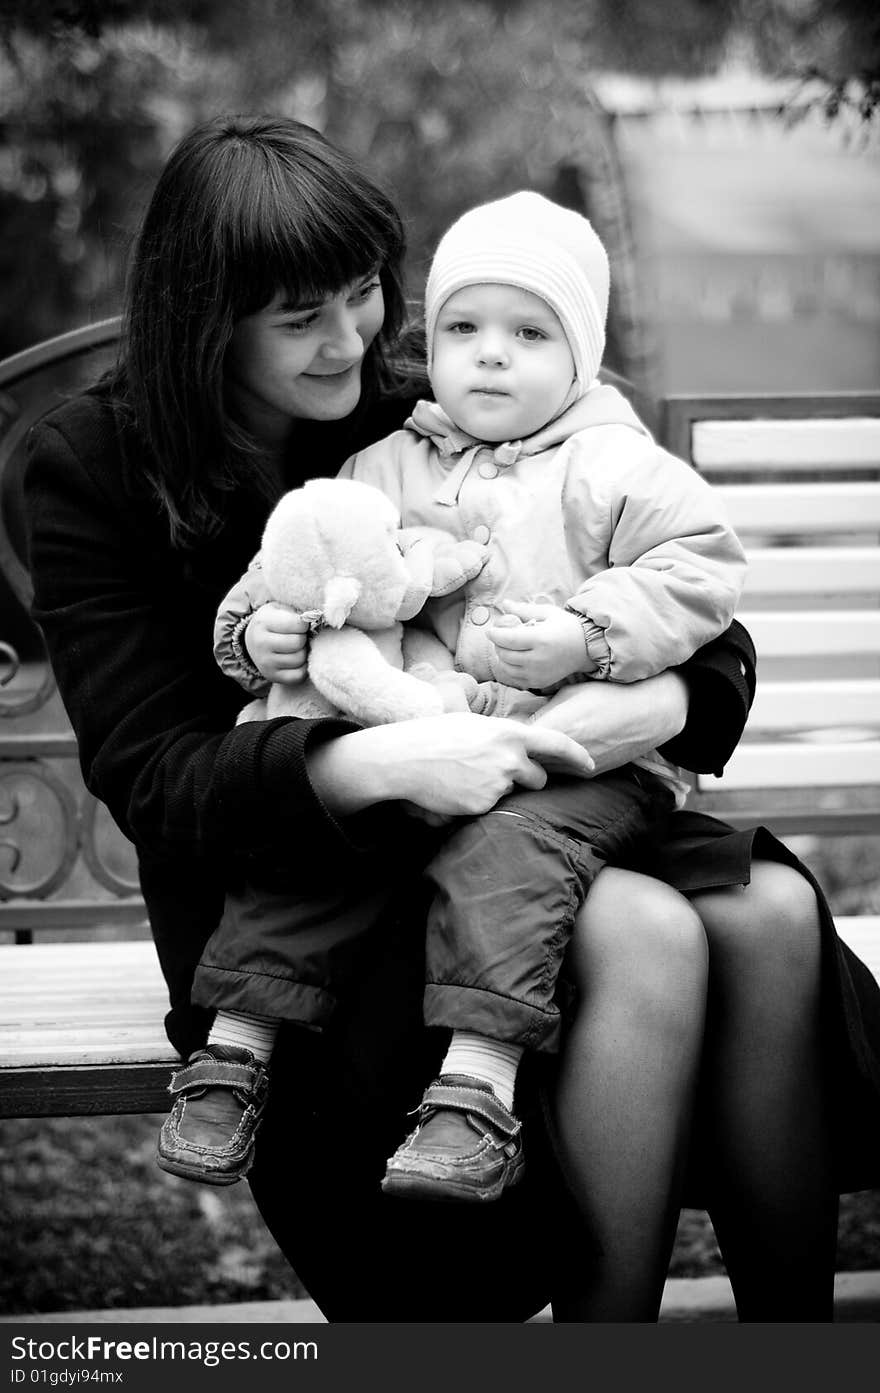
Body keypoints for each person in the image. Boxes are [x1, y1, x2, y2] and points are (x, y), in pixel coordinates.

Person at [23, 114, 880, 1322]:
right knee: (645, 931)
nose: (348, 342)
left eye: (365, 295)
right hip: (302, 876)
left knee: (775, 909)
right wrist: (386, 756)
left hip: (530, 787)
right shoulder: (93, 466)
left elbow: (696, 615)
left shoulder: (427, 392)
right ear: (203, 317)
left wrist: (666, 690)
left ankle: (793, 1342)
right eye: (298, 318)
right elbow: (154, 776)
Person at [171, 190, 746, 1203]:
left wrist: (590, 634)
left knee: (507, 857)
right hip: (426, 730)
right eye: (463, 329)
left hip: (575, 751)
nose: (489, 354)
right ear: (428, 343)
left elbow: (698, 568)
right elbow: (309, 554)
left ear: (582, 353)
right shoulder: (382, 460)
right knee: (319, 832)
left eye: (528, 333)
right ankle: (235, 1047)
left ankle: (475, 1091)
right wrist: (256, 631)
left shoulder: (616, 463)